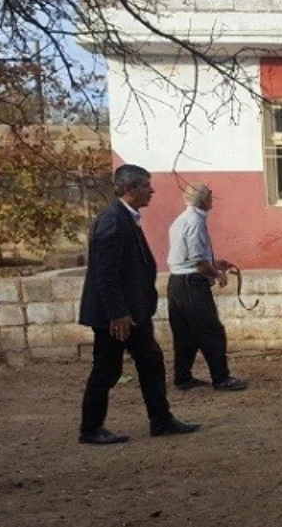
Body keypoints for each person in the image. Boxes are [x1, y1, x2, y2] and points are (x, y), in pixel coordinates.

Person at [77, 164, 201, 444]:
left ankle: (161, 421)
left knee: (151, 362)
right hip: (117, 316)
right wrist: (117, 313)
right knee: (107, 369)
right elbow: (105, 274)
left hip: (133, 314)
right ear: (130, 189)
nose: (152, 190)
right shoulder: (113, 220)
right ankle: (90, 428)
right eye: (146, 185)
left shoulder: (125, 217)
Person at [166, 182, 247, 392]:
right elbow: (198, 262)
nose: (212, 199)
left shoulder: (181, 220)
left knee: (185, 334)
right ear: (204, 199)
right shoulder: (195, 221)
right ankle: (221, 378)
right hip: (192, 283)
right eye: (210, 195)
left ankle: (183, 378)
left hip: (176, 282)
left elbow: (187, 256)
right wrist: (217, 274)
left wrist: (215, 263)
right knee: (212, 331)